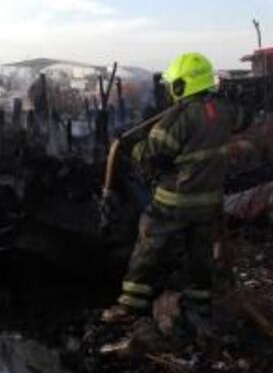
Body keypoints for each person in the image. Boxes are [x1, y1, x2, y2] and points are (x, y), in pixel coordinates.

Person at [101, 52, 247, 324]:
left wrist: (134, 147)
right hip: (209, 203)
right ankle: (199, 305)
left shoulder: (177, 118)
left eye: (173, 84)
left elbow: (151, 156)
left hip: (174, 202)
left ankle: (129, 305)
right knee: (198, 255)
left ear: (181, 85)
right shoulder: (224, 111)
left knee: (148, 247)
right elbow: (244, 119)